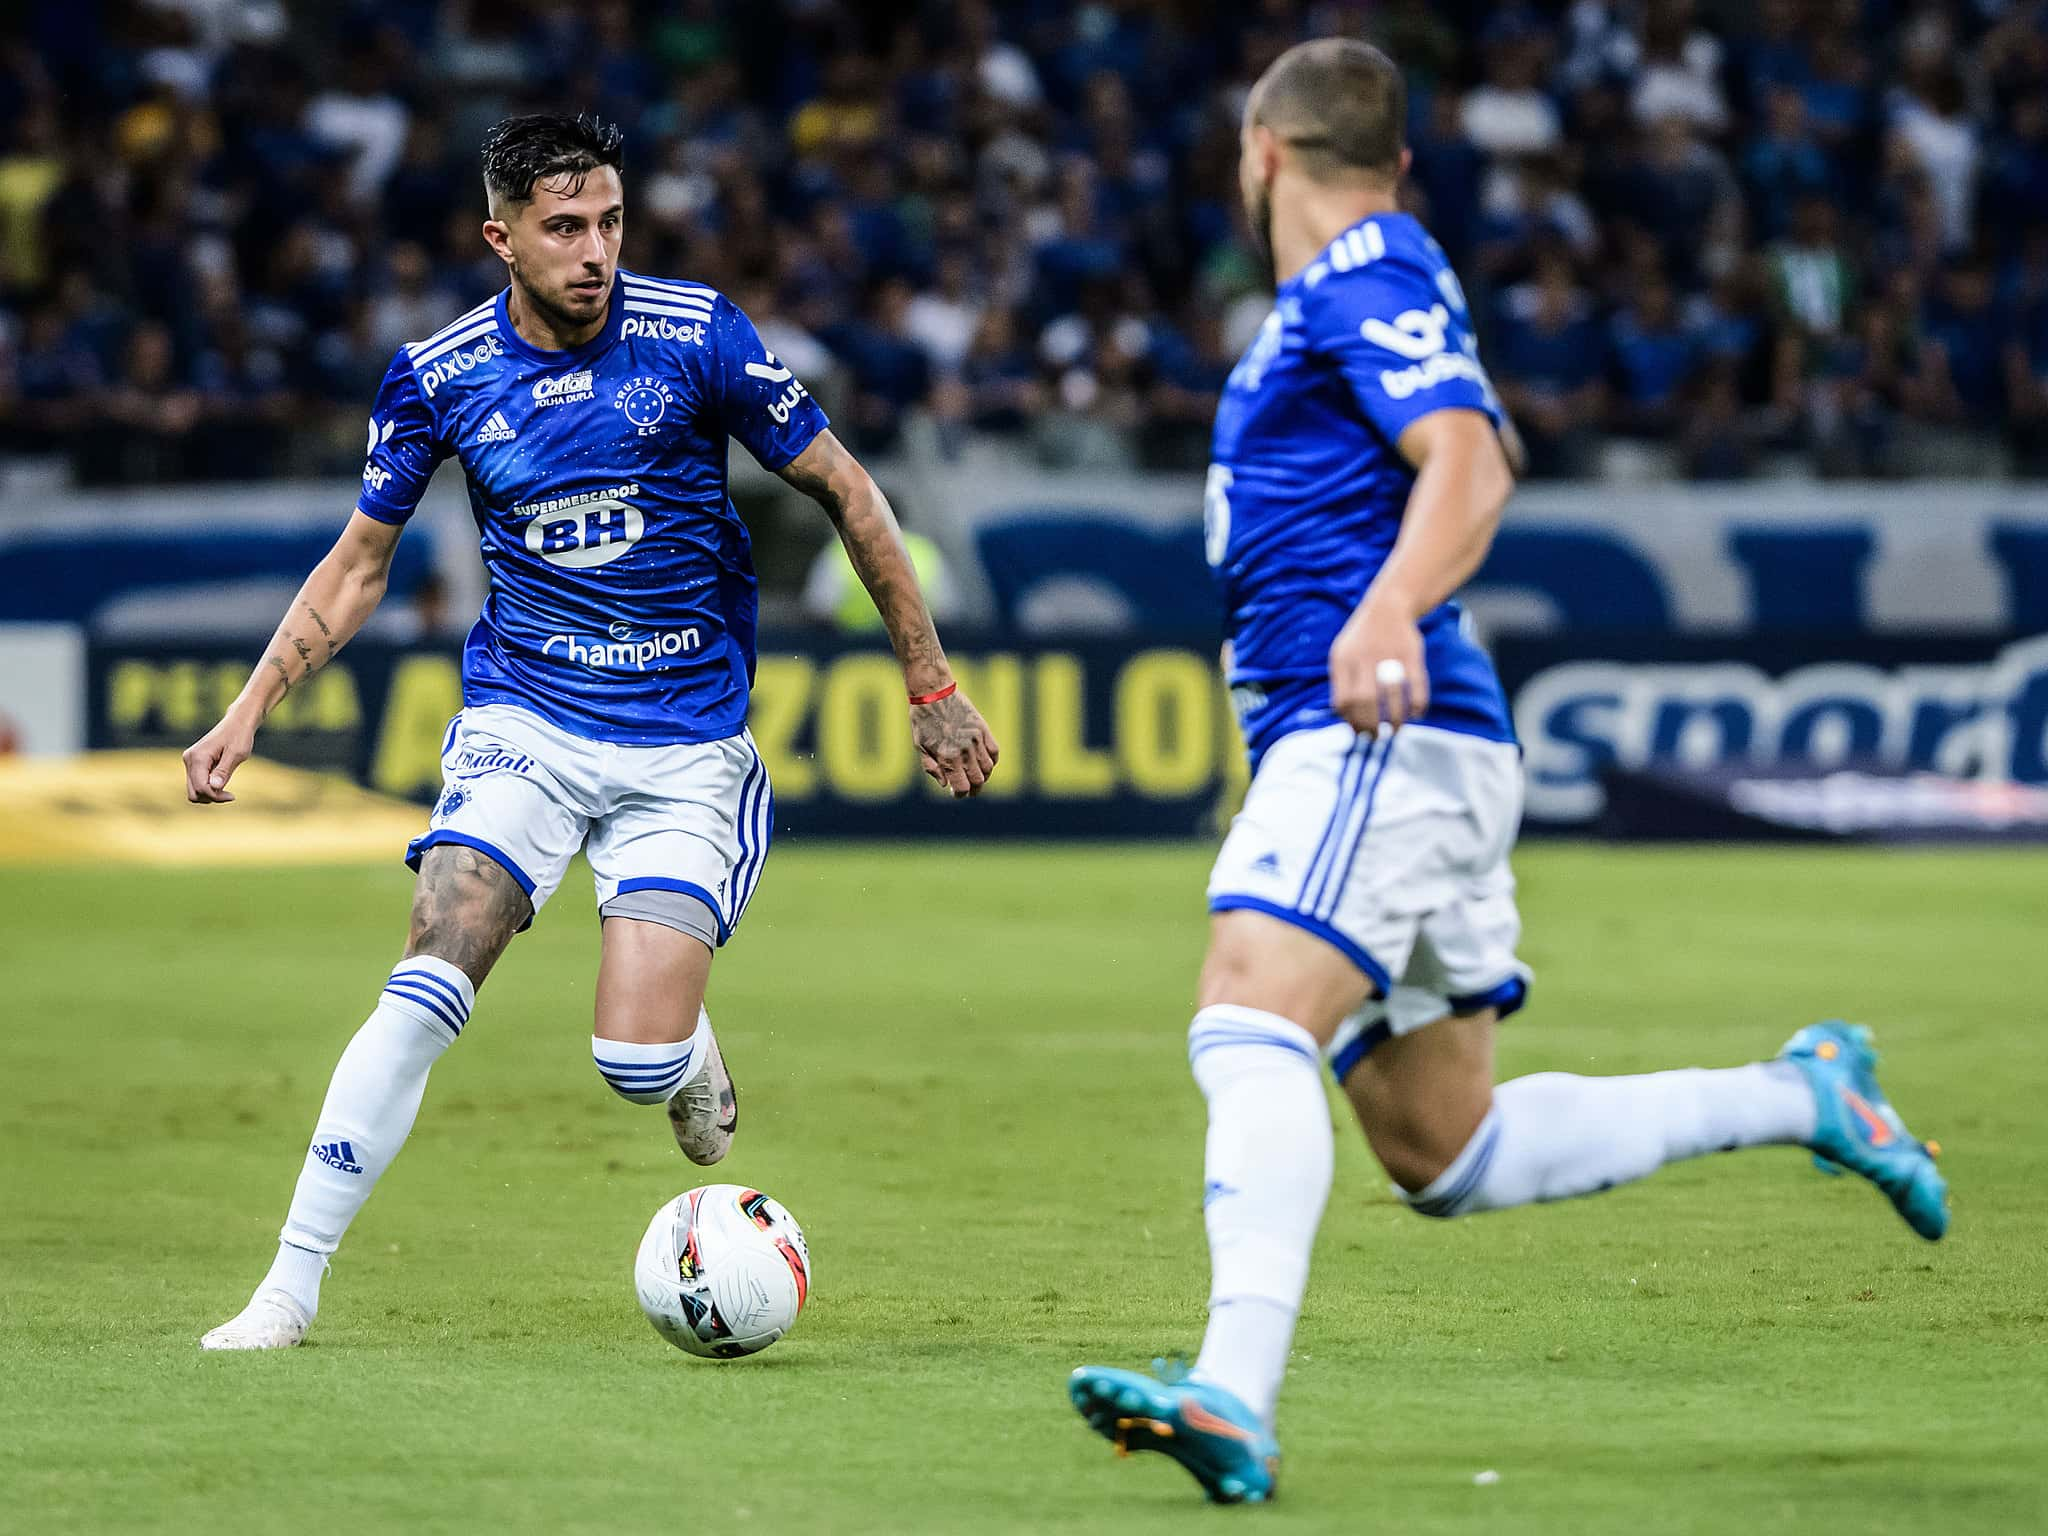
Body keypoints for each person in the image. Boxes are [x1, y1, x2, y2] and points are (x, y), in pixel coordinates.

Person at [1066, 40, 1946, 1505]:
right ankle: (1808, 1098)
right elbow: (1475, 438)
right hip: (1407, 744)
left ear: (1262, 151)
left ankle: (1231, 1391)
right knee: (1445, 1146)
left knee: (1245, 1008)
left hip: (1375, 731)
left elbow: (1472, 459)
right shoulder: (1361, 287)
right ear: (1397, 157)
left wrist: (1387, 608)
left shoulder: (1361, 273)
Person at [183, 113, 999, 1351]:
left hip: (683, 747)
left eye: (610, 222)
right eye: (565, 229)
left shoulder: (696, 335)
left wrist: (930, 685)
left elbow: (848, 490)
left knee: (633, 1062)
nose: (595, 251)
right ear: (500, 237)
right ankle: (286, 1289)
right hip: (526, 721)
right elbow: (359, 564)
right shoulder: (441, 375)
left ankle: (680, 1050)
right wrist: (250, 708)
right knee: (434, 958)